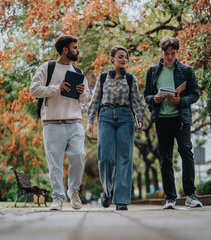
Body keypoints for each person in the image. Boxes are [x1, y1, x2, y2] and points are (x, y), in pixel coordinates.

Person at [30, 35, 91, 211]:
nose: (77, 50)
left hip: (75, 122)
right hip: (52, 123)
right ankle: (57, 198)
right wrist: (57, 87)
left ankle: (73, 190)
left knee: (79, 156)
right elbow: (34, 90)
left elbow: (85, 98)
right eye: (74, 48)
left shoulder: (78, 72)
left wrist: (82, 92)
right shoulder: (47, 68)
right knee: (54, 163)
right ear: (65, 50)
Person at [144, 36, 202, 209]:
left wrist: (180, 101)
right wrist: (154, 99)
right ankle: (170, 198)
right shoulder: (153, 71)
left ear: (177, 52)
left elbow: (195, 94)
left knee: (186, 153)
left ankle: (191, 195)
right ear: (161, 53)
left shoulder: (186, 70)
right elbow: (146, 94)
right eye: (167, 53)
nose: (170, 56)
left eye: (173, 53)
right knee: (166, 159)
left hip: (181, 119)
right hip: (162, 120)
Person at [86, 46, 143, 211]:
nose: (124, 60)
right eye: (120, 57)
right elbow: (95, 99)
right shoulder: (103, 78)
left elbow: (136, 101)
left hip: (125, 117)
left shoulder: (131, 79)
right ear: (112, 59)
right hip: (105, 116)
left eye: (126, 57)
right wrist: (90, 121)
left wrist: (139, 119)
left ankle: (121, 200)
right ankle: (106, 191)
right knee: (105, 157)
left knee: (125, 158)